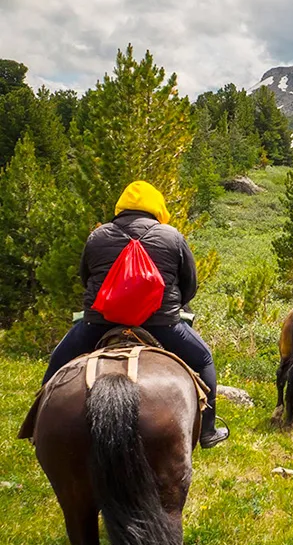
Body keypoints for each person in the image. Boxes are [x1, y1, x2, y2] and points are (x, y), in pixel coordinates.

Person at [41, 180, 229, 449]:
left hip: (100, 322)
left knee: (59, 359)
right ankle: (208, 431)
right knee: (203, 358)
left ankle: (40, 423)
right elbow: (189, 284)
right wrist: (173, 307)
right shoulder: (172, 236)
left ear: (121, 207)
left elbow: (86, 278)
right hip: (161, 324)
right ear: (157, 208)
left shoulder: (98, 235)